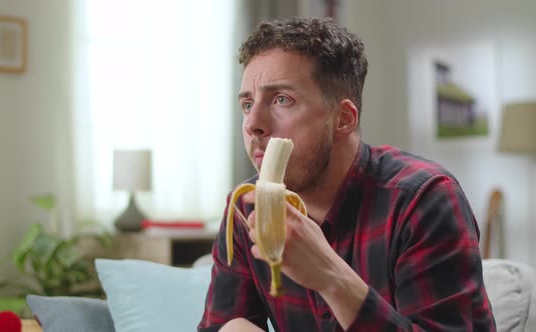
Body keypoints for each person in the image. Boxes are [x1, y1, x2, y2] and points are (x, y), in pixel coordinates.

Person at [198, 16, 495, 331]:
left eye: (282, 99)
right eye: (247, 104)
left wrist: (331, 277)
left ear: (343, 119)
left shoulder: (424, 199)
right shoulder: (245, 208)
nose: (252, 123)